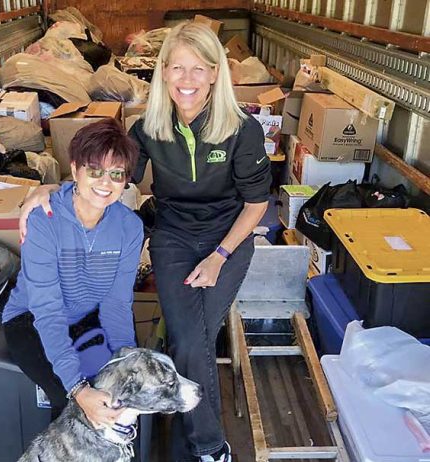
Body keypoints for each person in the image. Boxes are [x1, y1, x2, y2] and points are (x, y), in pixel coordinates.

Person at [19, 22, 270, 462]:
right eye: (177, 68)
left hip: (228, 236)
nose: (187, 80)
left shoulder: (241, 129)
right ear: (164, 72)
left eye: (198, 69)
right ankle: (206, 444)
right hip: (172, 235)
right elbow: (106, 174)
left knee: (193, 340)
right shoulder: (150, 126)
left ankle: (199, 441)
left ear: (215, 73)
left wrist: (220, 256)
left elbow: (256, 205)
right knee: (191, 340)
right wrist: (47, 188)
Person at [3, 118, 143, 425]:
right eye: (95, 170)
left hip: (88, 315)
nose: (105, 183)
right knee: (72, 404)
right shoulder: (44, 218)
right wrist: (78, 389)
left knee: (119, 396)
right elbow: (48, 310)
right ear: (76, 168)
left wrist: (125, 364)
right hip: (32, 319)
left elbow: (117, 304)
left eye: (117, 174)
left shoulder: (129, 226)